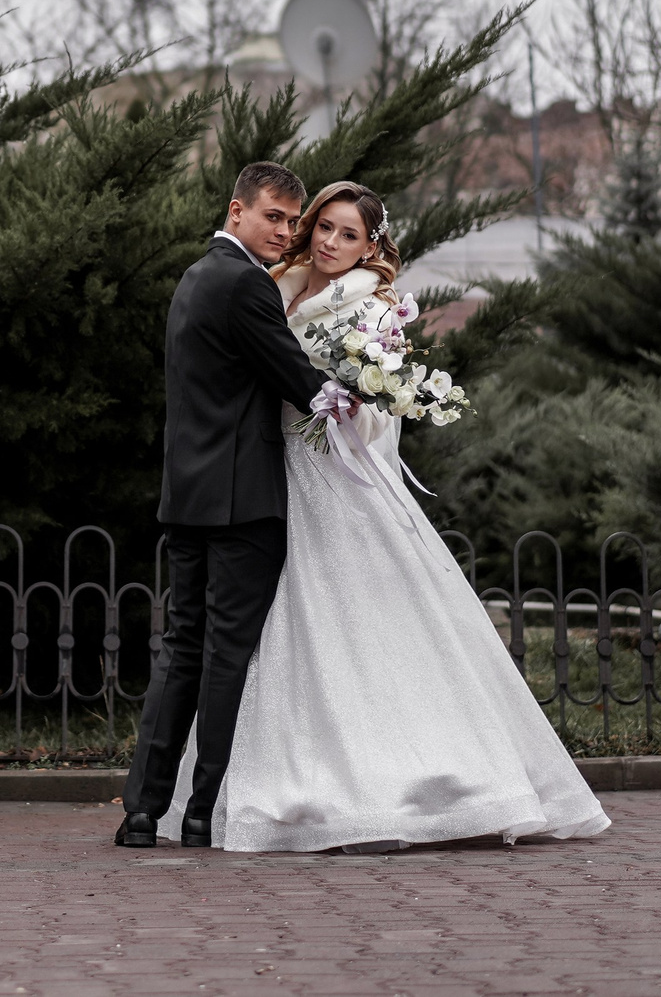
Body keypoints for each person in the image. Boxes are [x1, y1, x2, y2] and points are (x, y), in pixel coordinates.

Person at [147, 179, 611, 851]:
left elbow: (374, 412)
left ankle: (407, 783)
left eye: (349, 234)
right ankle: (259, 786)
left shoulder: (372, 306)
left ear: (372, 247)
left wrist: (358, 397)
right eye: (324, 227)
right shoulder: (275, 287)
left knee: (364, 623)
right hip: (272, 477)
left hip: (336, 476)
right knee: (278, 633)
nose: (332, 242)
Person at [115, 160, 332, 850]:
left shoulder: (194, 277)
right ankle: (202, 809)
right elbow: (299, 381)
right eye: (274, 215)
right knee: (224, 656)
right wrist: (361, 389)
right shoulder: (246, 284)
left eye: (293, 221)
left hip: (187, 497)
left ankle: (143, 811)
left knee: (183, 649)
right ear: (237, 210)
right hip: (242, 504)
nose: (286, 230)